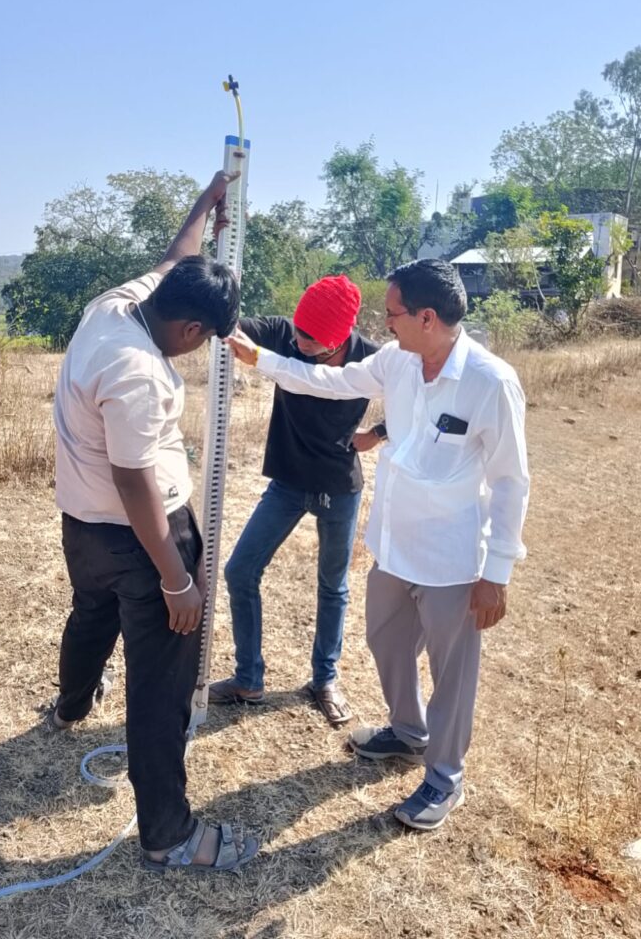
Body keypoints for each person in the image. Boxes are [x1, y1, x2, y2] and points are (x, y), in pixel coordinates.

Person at [227, 259, 529, 831]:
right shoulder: (397, 361)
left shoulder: (490, 382)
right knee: (386, 642)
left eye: (393, 313)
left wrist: (497, 572)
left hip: (452, 557)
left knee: (452, 672)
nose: (385, 323)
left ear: (427, 317)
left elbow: (512, 481)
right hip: (394, 546)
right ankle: (408, 733)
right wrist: (262, 360)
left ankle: (444, 777)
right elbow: (329, 381)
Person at [50, 171, 258, 873]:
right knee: (161, 686)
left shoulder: (118, 305)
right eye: (205, 340)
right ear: (192, 329)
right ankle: (169, 834)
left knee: (90, 614)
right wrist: (175, 579)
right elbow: (134, 480)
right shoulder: (137, 369)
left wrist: (206, 203)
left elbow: (176, 258)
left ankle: (70, 707)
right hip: (144, 539)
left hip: (83, 527)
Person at [209, 275, 383, 725]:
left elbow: (417, 396)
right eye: (299, 332)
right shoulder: (284, 335)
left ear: (341, 335)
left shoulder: (371, 358)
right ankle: (248, 678)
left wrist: (380, 432)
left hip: (339, 485)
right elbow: (230, 324)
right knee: (240, 570)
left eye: (312, 339)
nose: (300, 343)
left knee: (333, 586)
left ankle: (325, 679)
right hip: (287, 482)